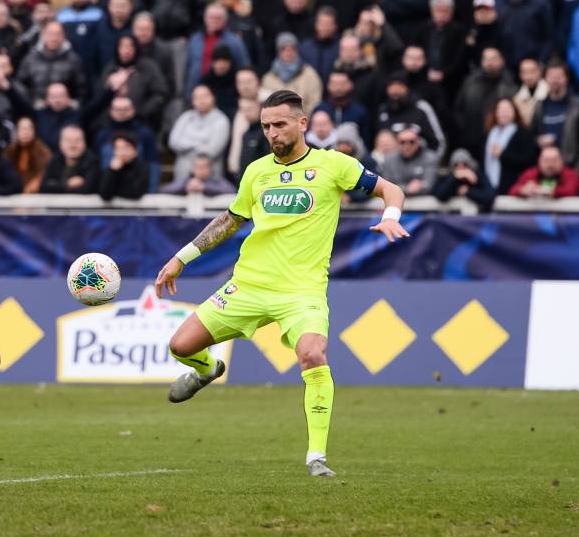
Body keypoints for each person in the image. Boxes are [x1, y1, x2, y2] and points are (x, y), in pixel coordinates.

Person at [154, 90, 408, 478]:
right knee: (180, 346)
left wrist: (390, 214)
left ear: (302, 123)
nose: (272, 132)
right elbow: (229, 221)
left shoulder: (333, 164)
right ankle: (207, 371)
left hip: (301, 292)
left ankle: (316, 457)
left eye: (279, 124)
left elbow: (392, 189)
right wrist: (180, 259)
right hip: (249, 286)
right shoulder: (256, 171)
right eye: (266, 126)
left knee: (312, 354)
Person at [530, 60, 579, 175]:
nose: (555, 80)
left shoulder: (578, 106)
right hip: (545, 169)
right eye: (551, 76)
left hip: (572, 168)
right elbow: (532, 136)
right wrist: (538, 141)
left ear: (566, 79)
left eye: (559, 76)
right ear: (545, 79)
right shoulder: (540, 106)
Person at [168, 85, 230, 182]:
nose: (201, 100)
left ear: (213, 98)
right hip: (183, 176)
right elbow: (173, 142)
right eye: (197, 97)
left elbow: (212, 150)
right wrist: (199, 144)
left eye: (204, 96)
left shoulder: (221, 120)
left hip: (210, 178)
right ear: (193, 101)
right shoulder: (185, 117)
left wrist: (186, 145)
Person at [483, 98, 538, 195]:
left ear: (515, 112)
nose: (504, 113)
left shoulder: (523, 134)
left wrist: (503, 154)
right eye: (501, 110)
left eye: (507, 110)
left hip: (513, 185)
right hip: (489, 185)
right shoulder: (489, 134)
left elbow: (529, 160)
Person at [261, 32, 322, 114]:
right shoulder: (268, 78)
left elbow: (315, 103)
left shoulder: (310, 74)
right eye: (283, 48)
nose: (288, 52)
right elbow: (266, 105)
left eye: (292, 48)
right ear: (278, 51)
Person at [40, 125, 100, 194]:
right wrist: (67, 184)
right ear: (60, 143)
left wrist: (58, 187)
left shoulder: (92, 161)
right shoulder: (55, 160)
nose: (73, 145)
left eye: (77, 140)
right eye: (68, 140)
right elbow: (44, 187)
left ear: (85, 143)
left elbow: (88, 189)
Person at [380, 125, 439, 196]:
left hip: (422, 202)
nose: (407, 145)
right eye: (402, 142)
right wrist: (407, 189)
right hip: (395, 202)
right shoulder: (389, 159)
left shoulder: (430, 157)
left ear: (418, 142)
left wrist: (400, 188)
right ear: (397, 143)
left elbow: (429, 185)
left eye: (411, 142)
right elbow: (386, 187)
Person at [509, 146, 579, 198]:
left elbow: (571, 191)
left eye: (554, 160)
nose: (550, 164)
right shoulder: (530, 173)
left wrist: (548, 191)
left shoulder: (571, 174)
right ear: (539, 162)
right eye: (546, 161)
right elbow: (513, 190)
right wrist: (523, 190)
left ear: (561, 161)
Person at [4, 116, 52, 194]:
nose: (26, 132)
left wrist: (36, 183)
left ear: (34, 131)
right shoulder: (9, 151)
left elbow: (46, 171)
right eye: (22, 129)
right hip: (13, 192)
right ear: (17, 131)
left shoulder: (43, 151)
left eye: (29, 129)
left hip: (36, 194)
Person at [98, 131, 148, 200]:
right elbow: (104, 195)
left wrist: (115, 190)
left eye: (126, 148)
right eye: (118, 148)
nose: (122, 152)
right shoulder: (111, 169)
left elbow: (135, 193)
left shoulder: (142, 168)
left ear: (135, 151)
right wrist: (112, 171)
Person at [161, 153, 236, 196]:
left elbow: (231, 190)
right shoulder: (187, 181)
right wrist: (185, 187)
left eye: (204, 167)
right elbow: (165, 189)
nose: (201, 170)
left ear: (210, 168)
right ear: (193, 168)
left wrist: (205, 188)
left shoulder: (216, 181)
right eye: (198, 167)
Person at [513, 58, 548, 128]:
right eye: (524, 72)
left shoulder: (549, 92)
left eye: (532, 71)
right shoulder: (517, 99)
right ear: (520, 75)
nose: (528, 76)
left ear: (540, 72)